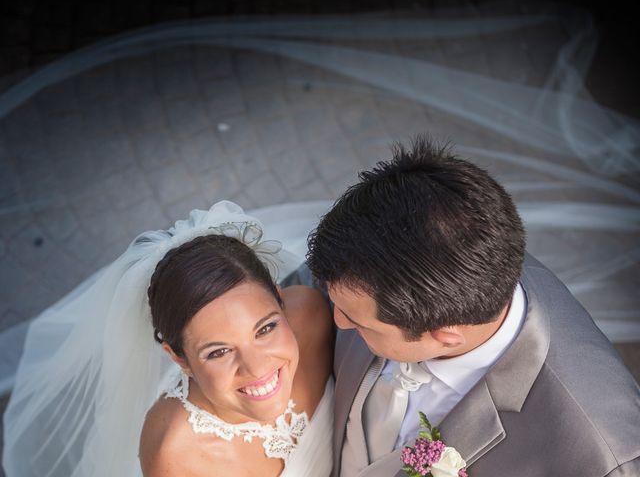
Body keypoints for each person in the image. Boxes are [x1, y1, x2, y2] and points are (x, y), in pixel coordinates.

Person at [300, 136, 640, 476]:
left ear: (446, 336)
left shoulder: (599, 455)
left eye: (359, 323)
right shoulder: (402, 260)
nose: (336, 320)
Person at [2, 201, 334, 477]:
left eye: (265, 329)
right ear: (179, 359)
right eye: (218, 352)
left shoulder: (312, 314)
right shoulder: (175, 457)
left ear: (280, 300)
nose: (257, 366)